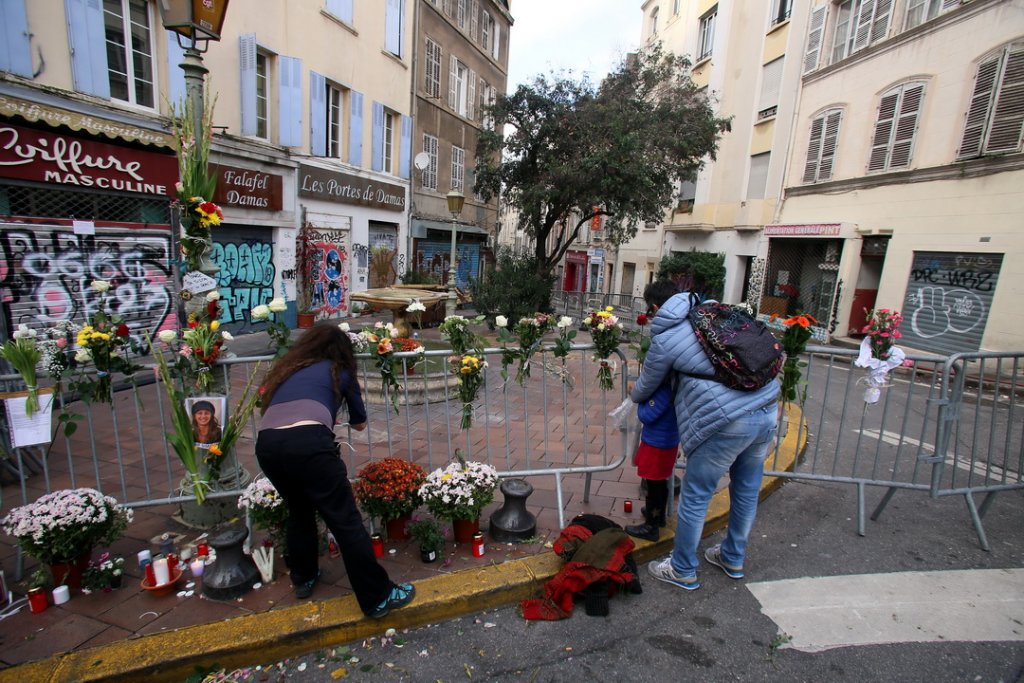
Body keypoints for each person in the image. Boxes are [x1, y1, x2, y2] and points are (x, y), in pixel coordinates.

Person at [255, 324, 415, 616]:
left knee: (298, 510)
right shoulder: (339, 371)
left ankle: (303, 578)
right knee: (345, 520)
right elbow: (359, 423)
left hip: (267, 445)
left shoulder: (288, 371)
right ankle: (377, 596)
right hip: (309, 444)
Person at [631, 278, 779, 590]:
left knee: (696, 495)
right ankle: (732, 556)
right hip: (765, 409)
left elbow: (645, 385)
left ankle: (683, 567)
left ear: (657, 308)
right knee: (747, 489)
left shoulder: (667, 337)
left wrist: (635, 394)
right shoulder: (713, 312)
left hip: (725, 422)